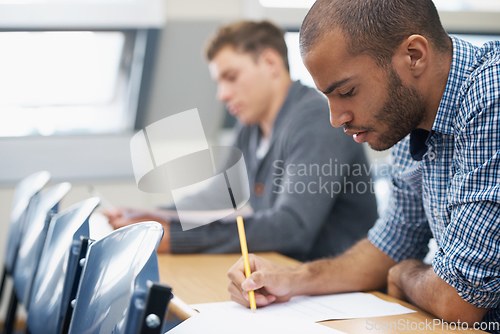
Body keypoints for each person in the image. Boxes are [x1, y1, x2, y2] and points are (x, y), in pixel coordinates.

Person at [227, 0, 500, 330]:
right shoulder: (412, 119)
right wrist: (293, 279)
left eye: (347, 91)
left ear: (414, 55)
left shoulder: (491, 94)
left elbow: (459, 300)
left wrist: (404, 274)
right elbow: (390, 246)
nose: (335, 118)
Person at [105, 20, 378, 261]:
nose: (222, 95)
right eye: (219, 82)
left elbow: (291, 228)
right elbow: (217, 195)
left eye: (231, 77)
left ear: (271, 63)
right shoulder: (251, 126)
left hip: (340, 291)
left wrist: (176, 237)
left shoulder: (316, 118)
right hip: (288, 278)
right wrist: (152, 218)